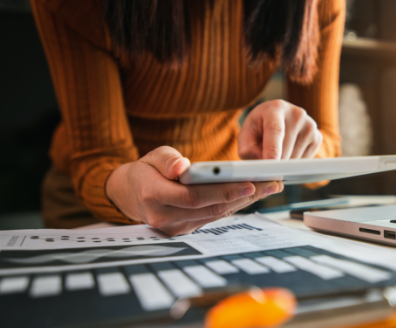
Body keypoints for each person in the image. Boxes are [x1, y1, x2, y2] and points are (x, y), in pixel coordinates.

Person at [31, 0, 343, 236]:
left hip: (222, 208)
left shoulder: (315, 5)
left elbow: (327, 142)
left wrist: (299, 142)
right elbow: (99, 155)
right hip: (99, 205)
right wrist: (131, 189)